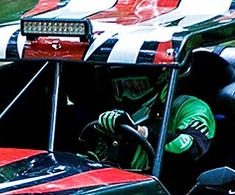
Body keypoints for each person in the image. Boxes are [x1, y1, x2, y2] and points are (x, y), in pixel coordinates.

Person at [85, 67, 215, 175]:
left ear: (161, 77)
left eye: (137, 84)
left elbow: (190, 147)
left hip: (171, 192)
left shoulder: (192, 107)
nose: (129, 90)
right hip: (117, 185)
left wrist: (142, 132)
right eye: (123, 84)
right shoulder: (114, 110)